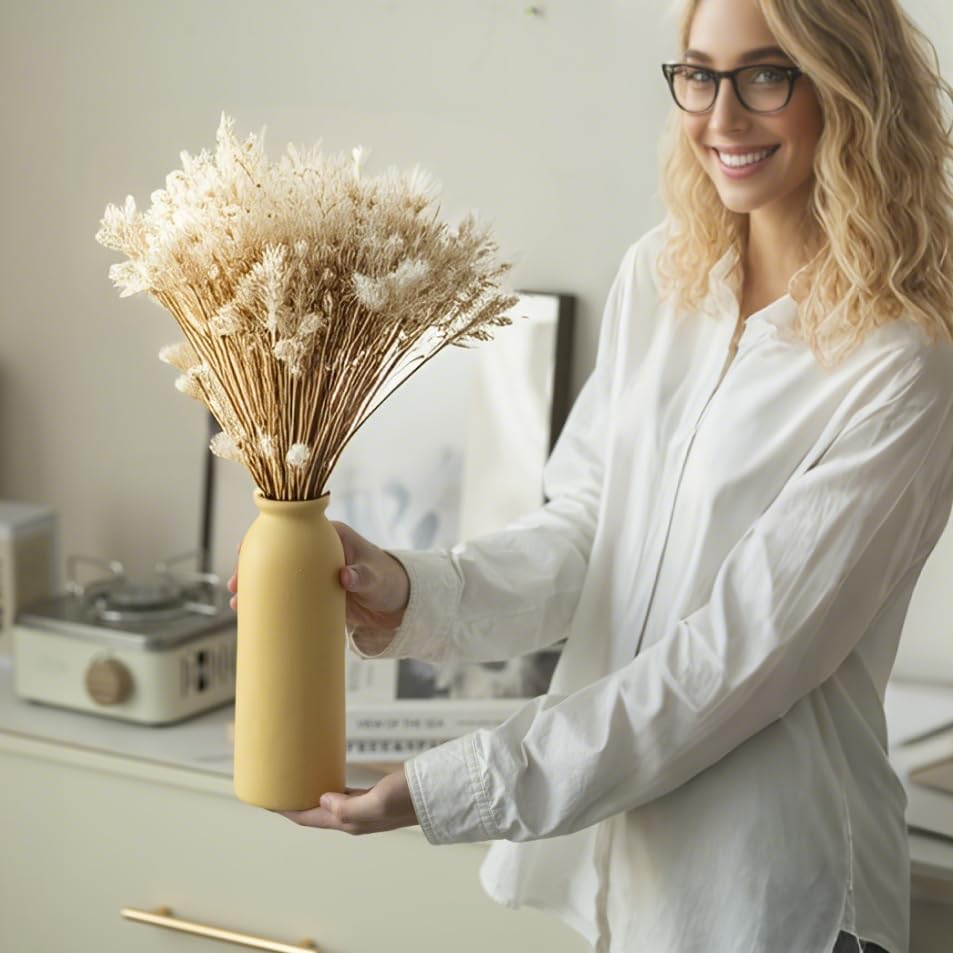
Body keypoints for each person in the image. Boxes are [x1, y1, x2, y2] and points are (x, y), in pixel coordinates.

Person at [229, 0, 953, 950]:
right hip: (626, 879)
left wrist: (459, 785)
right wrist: (401, 586)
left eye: (765, 74)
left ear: (851, 89)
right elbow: (587, 531)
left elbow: (737, 661)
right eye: (698, 74)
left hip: (779, 898)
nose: (721, 117)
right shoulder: (663, 275)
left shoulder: (905, 357)